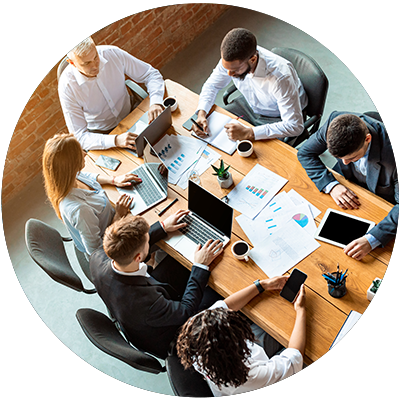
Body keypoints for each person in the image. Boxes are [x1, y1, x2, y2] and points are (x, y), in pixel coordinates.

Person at [90, 212, 224, 359]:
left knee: (179, 262)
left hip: (140, 302)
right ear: (138, 257)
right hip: (169, 333)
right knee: (218, 292)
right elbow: (185, 310)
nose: (149, 240)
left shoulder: (98, 257)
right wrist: (200, 265)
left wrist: (163, 227)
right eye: (147, 241)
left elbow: (125, 245)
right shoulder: (146, 302)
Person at [176, 278, 311, 398]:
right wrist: (301, 310)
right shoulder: (248, 377)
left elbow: (226, 305)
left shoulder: (196, 332)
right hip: (263, 393)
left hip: (247, 364)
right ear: (237, 345)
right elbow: (295, 357)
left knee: (280, 324)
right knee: (312, 349)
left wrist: (262, 285)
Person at [297, 111, 399, 260]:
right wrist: (331, 185)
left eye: (352, 158)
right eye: (339, 158)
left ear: (367, 139)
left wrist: (372, 239)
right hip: (346, 186)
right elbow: (305, 153)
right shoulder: (335, 123)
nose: (344, 163)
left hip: (383, 201)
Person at [193, 28, 307, 142]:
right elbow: (212, 85)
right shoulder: (231, 60)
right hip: (249, 105)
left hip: (277, 116)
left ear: (253, 59)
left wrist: (250, 132)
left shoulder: (281, 78)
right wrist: (202, 113)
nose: (229, 74)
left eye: (235, 70)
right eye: (226, 68)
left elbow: (295, 126)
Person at [59, 30, 165, 151]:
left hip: (131, 113)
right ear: (71, 63)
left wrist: (156, 101)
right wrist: (115, 140)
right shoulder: (67, 87)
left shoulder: (112, 53)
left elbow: (150, 74)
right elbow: (79, 137)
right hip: (103, 135)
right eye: (87, 63)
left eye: (95, 57)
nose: (95, 66)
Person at [43, 132, 140, 258]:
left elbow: (88, 177)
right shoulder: (80, 210)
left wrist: (113, 180)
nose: (85, 154)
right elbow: (96, 251)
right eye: (80, 153)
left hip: (112, 223)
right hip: (113, 245)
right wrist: (118, 216)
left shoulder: (68, 179)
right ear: (70, 165)